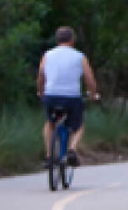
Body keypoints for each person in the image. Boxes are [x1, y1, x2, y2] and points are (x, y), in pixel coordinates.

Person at [36, 27, 99, 168]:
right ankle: (72, 150)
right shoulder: (79, 56)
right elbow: (89, 79)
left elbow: (40, 77)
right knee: (78, 126)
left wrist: (41, 92)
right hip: (72, 97)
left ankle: (48, 156)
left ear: (57, 40)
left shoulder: (47, 55)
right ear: (72, 40)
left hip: (51, 95)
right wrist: (93, 95)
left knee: (49, 123)